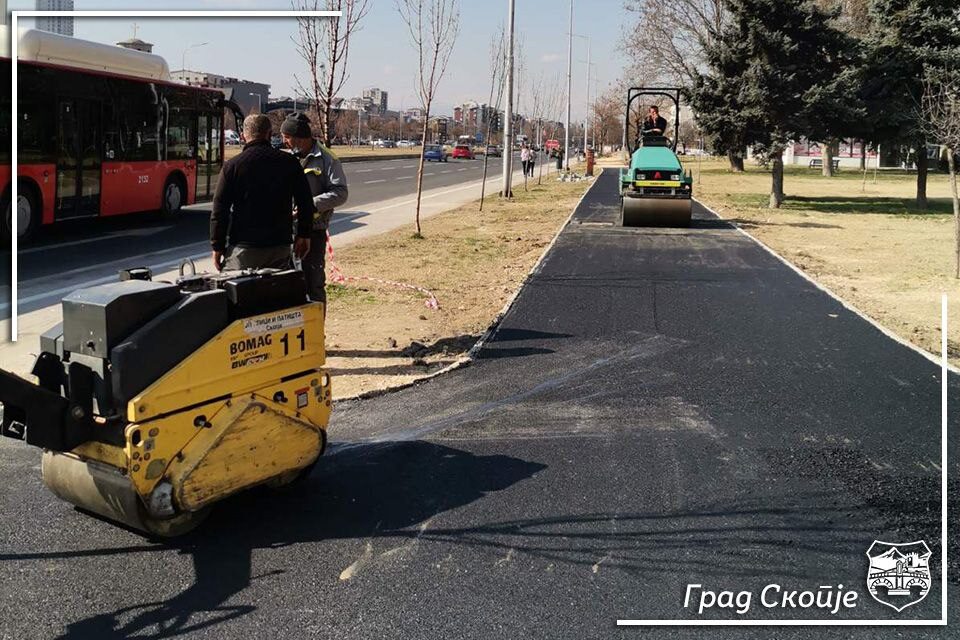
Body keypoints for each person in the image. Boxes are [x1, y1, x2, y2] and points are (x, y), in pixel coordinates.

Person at [210, 114, 314, 271]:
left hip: (243, 246)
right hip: (279, 244)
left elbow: (219, 210)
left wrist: (217, 246)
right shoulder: (290, 163)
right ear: (269, 134)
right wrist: (304, 234)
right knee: (276, 290)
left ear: (244, 135)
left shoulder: (232, 166)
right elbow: (305, 202)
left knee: (238, 291)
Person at [280, 112, 349, 304]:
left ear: (299, 138)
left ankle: (317, 332)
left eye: (286, 137)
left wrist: (309, 206)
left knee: (313, 285)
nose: (284, 141)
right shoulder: (287, 157)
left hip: (313, 232)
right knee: (286, 285)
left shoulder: (328, 159)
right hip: (287, 232)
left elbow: (341, 193)